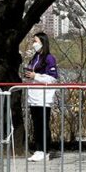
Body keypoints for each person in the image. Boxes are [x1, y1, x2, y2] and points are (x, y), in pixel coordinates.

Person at [23, 32, 58, 162]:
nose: (34, 44)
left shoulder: (49, 58)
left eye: (36, 41)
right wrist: (28, 75)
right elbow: (32, 73)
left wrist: (35, 76)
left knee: (44, 124)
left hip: (44, 97)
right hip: (33, 97)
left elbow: (53, 78)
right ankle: (38, 150)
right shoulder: (34, 57)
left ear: (43, 42)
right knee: (36, 124)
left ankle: (45, 150)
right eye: (33, 41)